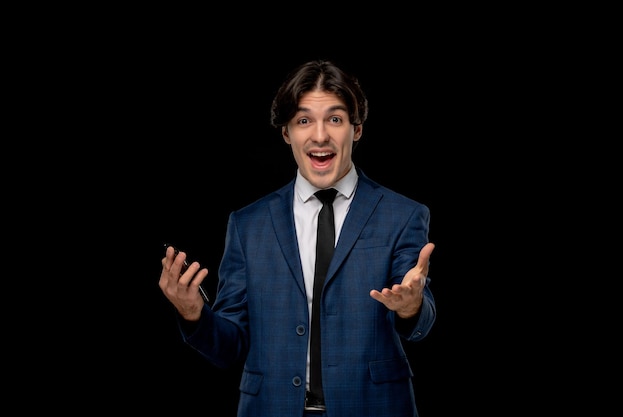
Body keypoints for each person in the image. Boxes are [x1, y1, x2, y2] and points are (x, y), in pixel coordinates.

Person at [159, 59, 436, 417]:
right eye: (304, 120)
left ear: (357, 128)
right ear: (287, 132)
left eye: (335, 119)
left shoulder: (403, 215)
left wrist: (411, 306)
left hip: (373, 407)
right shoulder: (248, 224)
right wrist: (194, 314)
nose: (320, 136)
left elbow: (421, 317)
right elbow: (230, 348)